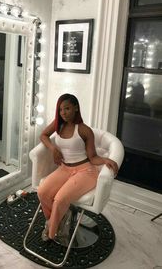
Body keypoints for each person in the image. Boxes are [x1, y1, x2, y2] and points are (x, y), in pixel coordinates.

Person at [37, 93, 118, 242]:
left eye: (67, 108)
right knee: (42, 192)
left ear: (76, 108)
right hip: (64, 169)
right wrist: (53, 148)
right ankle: (60, 218)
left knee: (60, 199)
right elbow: (43, 135)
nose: (63, 113)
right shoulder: (58, 124)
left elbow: (92, 157)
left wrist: (106, 160)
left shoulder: (84, 130)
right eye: (61, 110)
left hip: (85, 172)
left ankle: (52, 230)